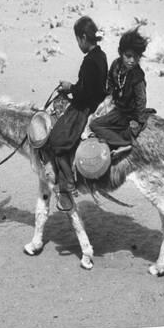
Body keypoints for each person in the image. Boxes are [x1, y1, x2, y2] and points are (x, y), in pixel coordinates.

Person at [47, 16, 108, 211]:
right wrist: (73, 88)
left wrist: (70, 87)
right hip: (95, 102)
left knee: (56, 139)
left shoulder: (89, 61)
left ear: (83, 38)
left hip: (86, 107)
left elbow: (86, 91)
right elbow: (91, 86)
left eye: (77, 40)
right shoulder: (101, 55)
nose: (78, 44)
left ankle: (68, 185)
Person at [90, 27, 149, 159]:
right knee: (94, 123)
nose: (132, 60)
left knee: (97, 125)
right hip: (119, 109)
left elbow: (141, 100)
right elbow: (110, 80)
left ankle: (124, 144)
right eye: (128, 56)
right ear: (120, 53)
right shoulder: (116, 65)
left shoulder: (137, 77)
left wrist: (138, 123)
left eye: (136, 57)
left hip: (130, 114)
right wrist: (111, 96)